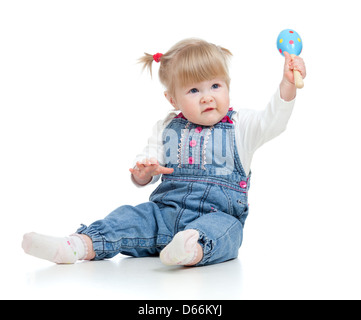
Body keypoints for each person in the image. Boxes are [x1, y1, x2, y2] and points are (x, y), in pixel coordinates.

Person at [22, 38, 306, 266]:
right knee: (128, 217)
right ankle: (74, 246)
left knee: (224, 233)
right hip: (164, 213)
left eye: (215, 86)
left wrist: (288, 84)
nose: (208, 96)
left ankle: (189, 250)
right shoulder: (168, 127)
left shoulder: (242, 126)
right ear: (173, 98)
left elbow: (274, 119)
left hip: (217, 215)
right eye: (194, 90)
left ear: (227, 86)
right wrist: (143, 173)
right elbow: (147, 162)